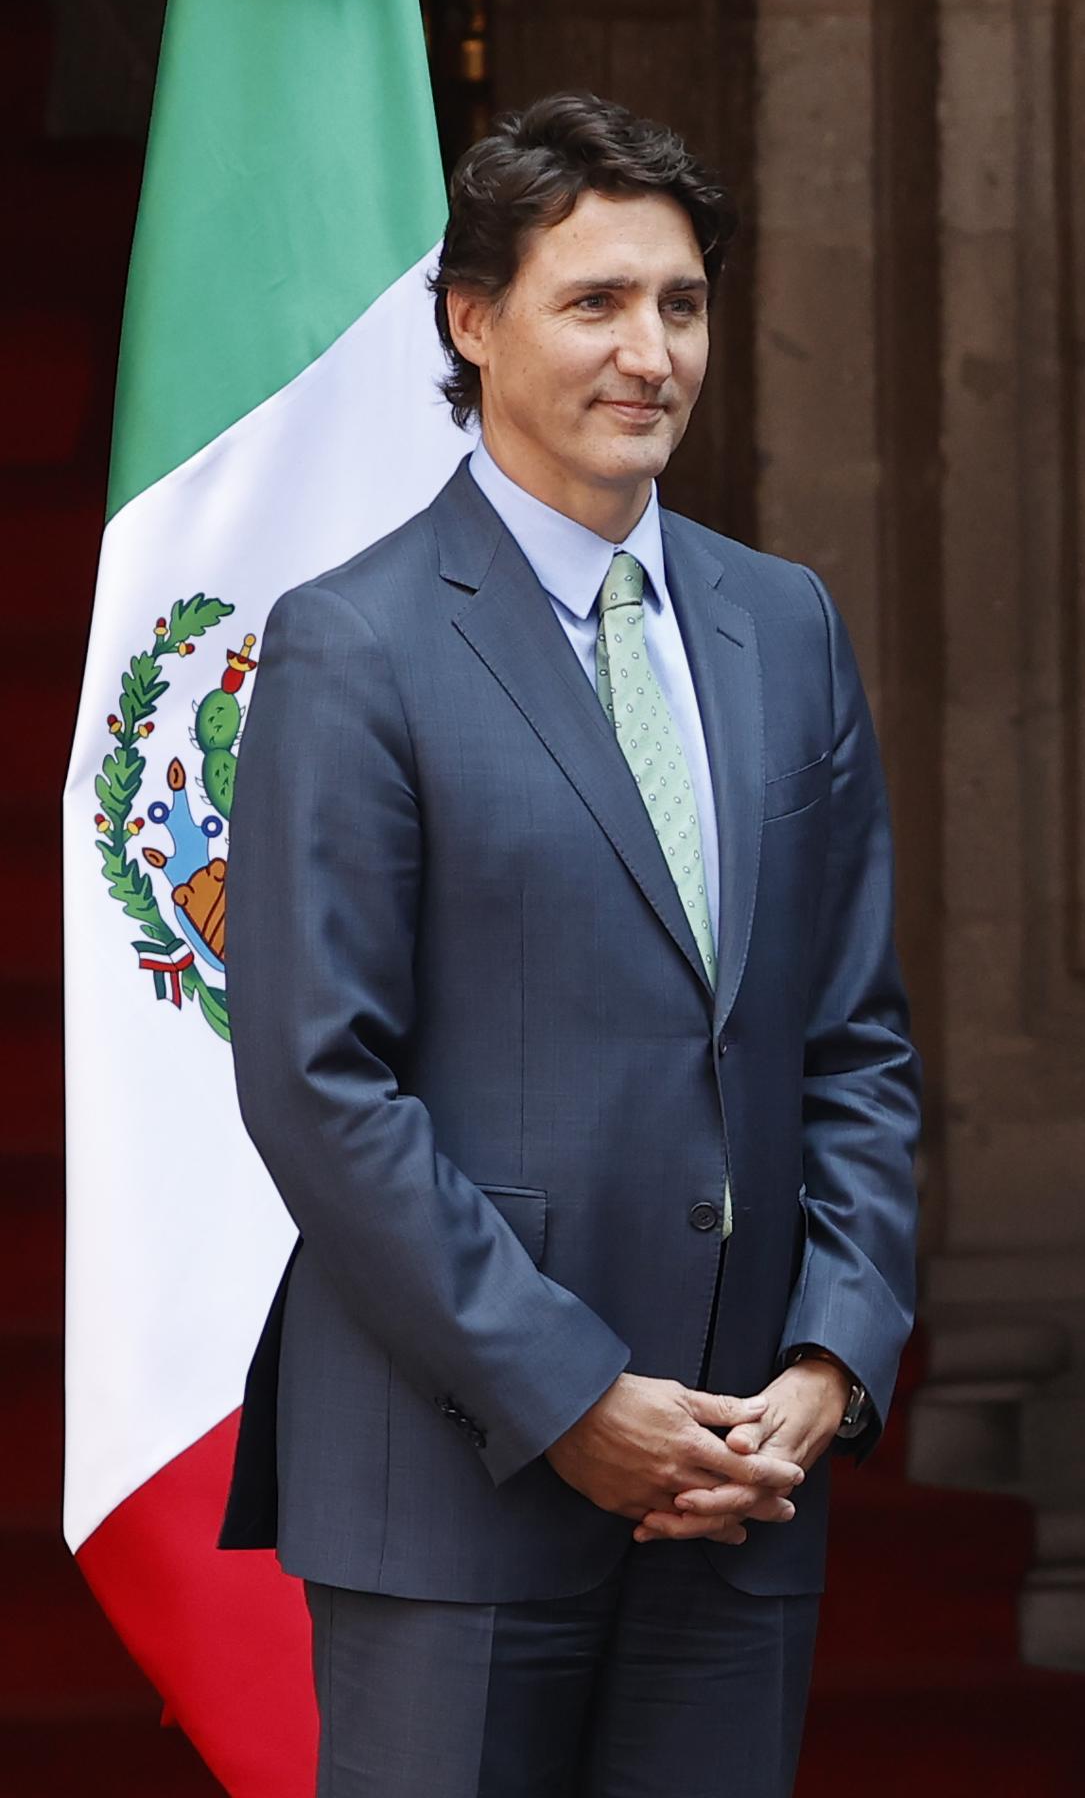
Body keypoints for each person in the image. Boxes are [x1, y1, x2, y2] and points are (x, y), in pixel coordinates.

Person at [219, 89, 920, 1798]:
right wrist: (572, 1397)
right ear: (472, 320)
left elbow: (854, 1040)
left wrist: (833, 1352)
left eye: (678, 304)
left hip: (743, 1484)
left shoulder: (784, 623)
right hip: (460, 1481)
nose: (649, 352)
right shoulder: (353, 643)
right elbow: (322, 1085)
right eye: (593, 301)